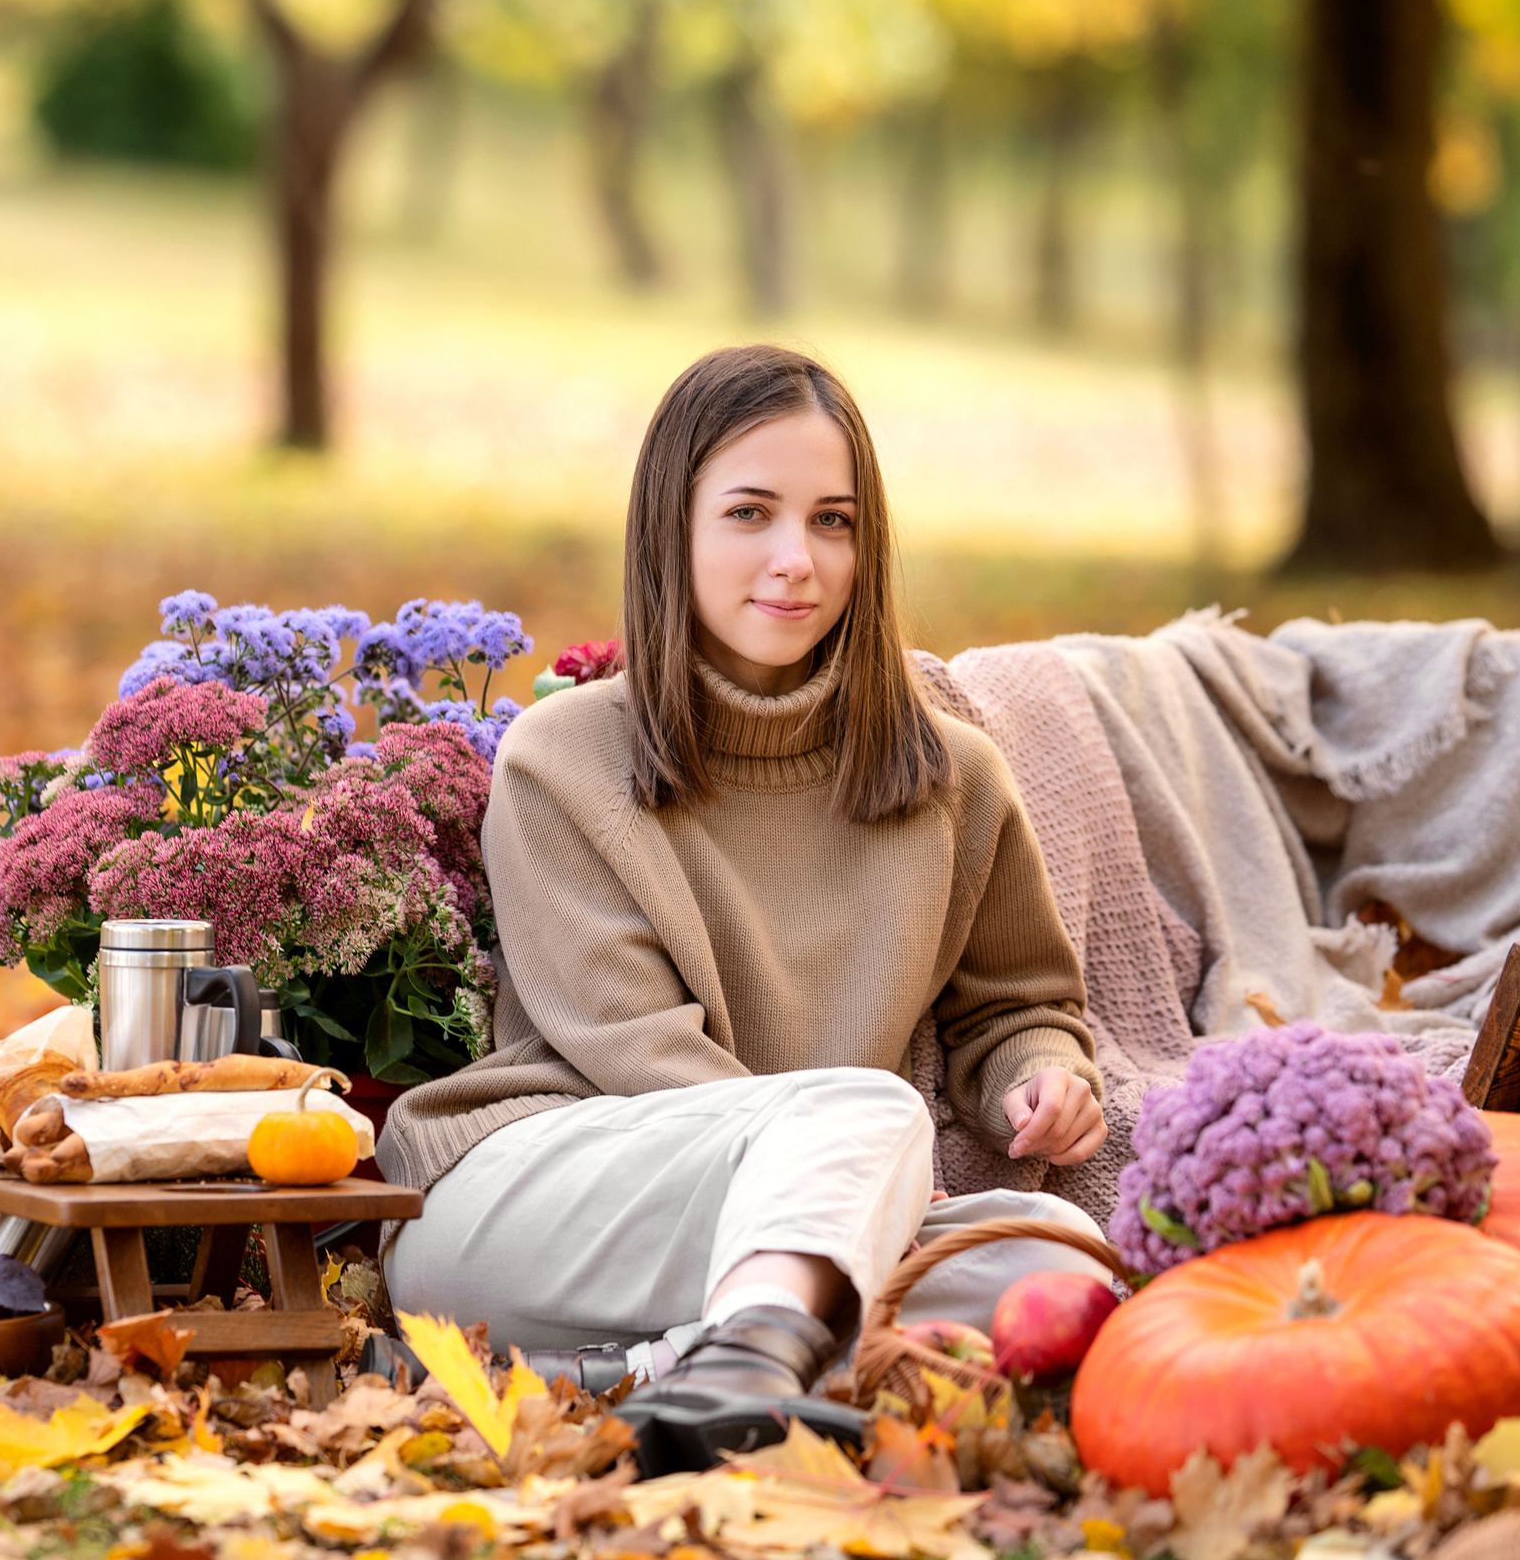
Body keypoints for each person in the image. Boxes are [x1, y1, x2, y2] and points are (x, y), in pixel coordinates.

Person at [378, 344, 1115, 1470]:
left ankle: (670, 1374)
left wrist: (1039, 1079)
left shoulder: (950, 777)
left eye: (833, 522)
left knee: (1061, 1256)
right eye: (748, 513)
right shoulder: (565, 760)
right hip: (533, 1201)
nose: (795, 560)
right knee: (867, 1119)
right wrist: (848, 1175)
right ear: (671, 529)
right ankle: (756, 1352)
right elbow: (634, 1050)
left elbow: (1017, 1006)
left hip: (791, 1207)